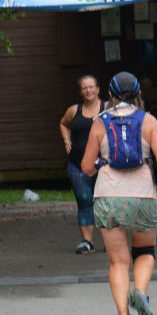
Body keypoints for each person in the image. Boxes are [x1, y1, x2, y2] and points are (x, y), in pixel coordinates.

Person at [81, 71, 157, 315]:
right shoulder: (149, 121)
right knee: (145, 252)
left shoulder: (99, 122)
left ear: (108, 95)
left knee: (118, 262)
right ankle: (141, 292)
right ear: (138, 95)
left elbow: (86, 167)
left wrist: (100, 163)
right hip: (142, 197)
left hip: (109, 198)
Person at [59, 74, 106, 253]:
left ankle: (112, 242)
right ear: (81, 92)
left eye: (91, 87)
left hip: (103, 165)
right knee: (84, 200)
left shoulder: (107, 108)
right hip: (77, 165)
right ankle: (87, 242)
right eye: (84, 88)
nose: (88, 90)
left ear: (98, 89)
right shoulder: (74, 110)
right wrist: (67, 141)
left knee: (106, 202)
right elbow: (63, 124)